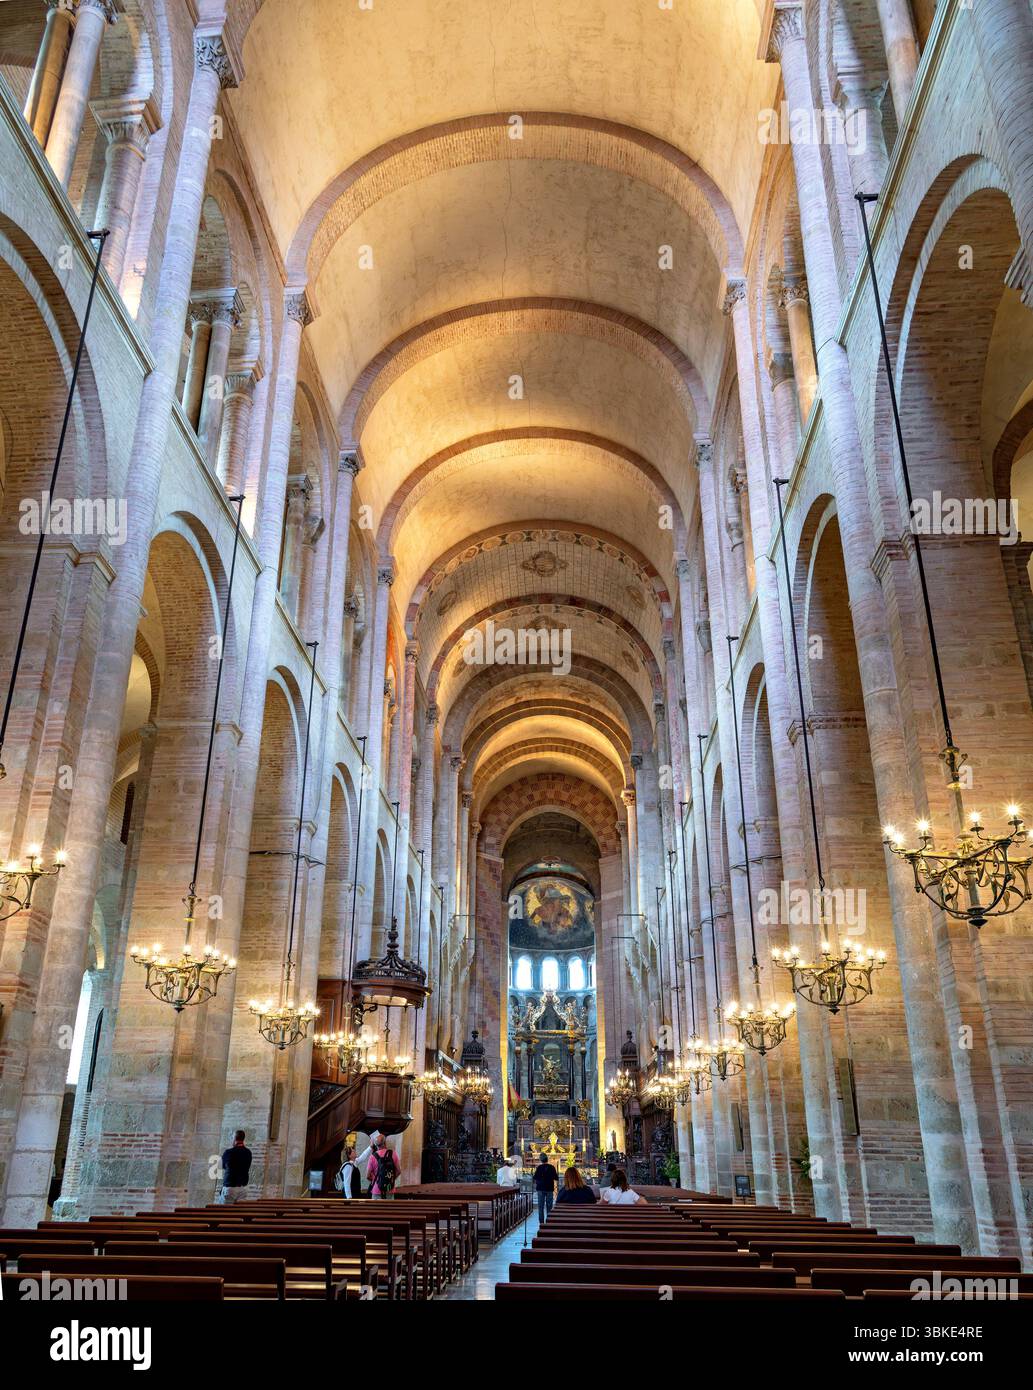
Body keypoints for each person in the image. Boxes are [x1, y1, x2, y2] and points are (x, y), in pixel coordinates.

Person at [219, 1129, 252, 1204]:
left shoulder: (229, 1152)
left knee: (225, 1213)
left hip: (230, 1187)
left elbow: (222, 1165)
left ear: (234, 1138)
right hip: (242, 1188)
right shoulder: (248, 1152)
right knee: (238, 1212)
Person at [533, 1151, 559, 1221]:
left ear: (541, 1160)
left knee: (540, 1206)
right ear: (547, 1159)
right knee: (549, 1206)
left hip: (541, 1189)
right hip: (549, 1189)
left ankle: (541, 1222)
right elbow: (556, 1178)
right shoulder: (552, 1167)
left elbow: (535, 1178)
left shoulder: (539, 1167)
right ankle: (549, 1221)